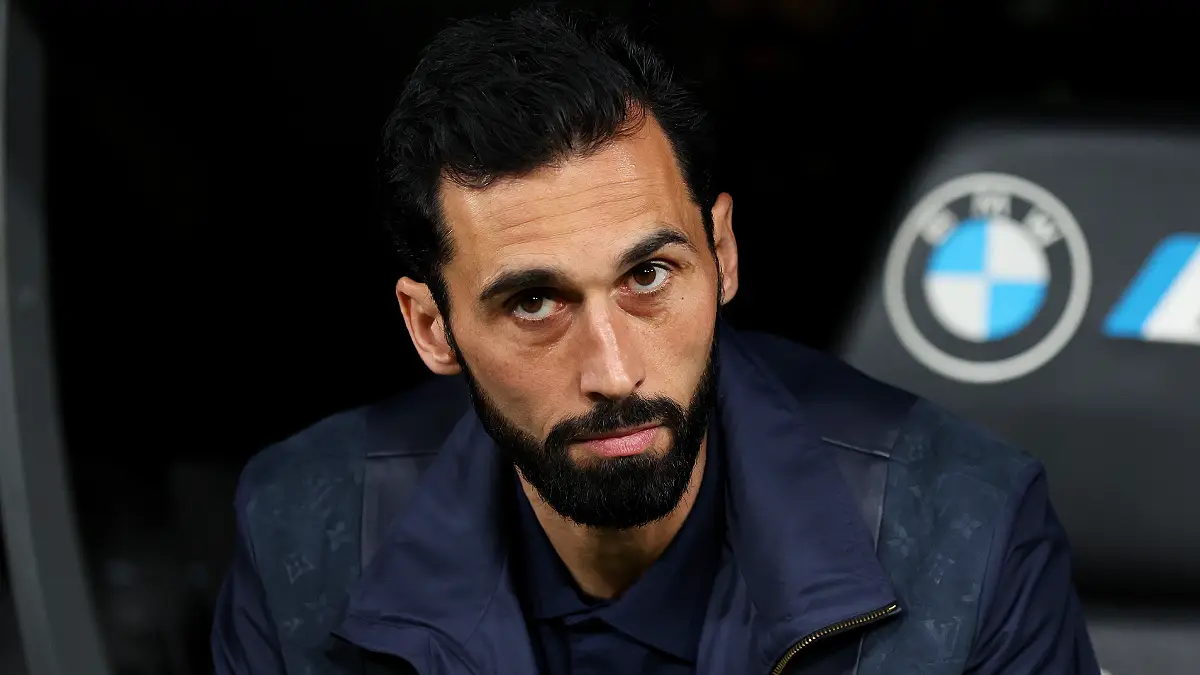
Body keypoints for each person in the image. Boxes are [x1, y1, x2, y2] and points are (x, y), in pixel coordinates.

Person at [211, 7, 1100, 675]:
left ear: (722, 255)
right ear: (430, 327)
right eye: (533, 303)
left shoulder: (966, 529)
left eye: (647, 278)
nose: (614, 367)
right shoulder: (309, 525)